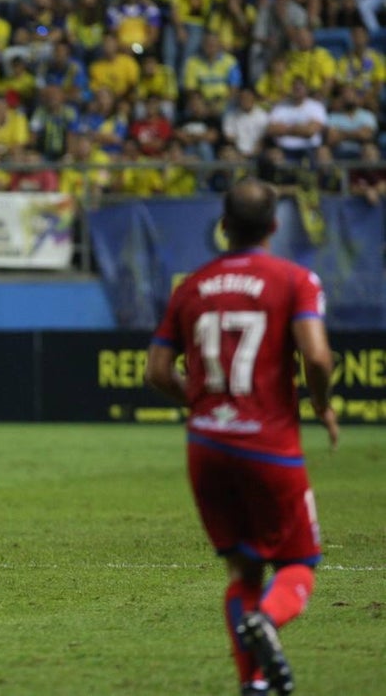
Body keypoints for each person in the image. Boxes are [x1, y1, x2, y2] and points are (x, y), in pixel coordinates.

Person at [145, 180, 340, 696]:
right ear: (275, 225)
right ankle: (268, 621)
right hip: (269, 443)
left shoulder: (191, 286)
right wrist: (321, 403)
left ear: (224, 226)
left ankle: (252, 682)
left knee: (243, 570)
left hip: (206, 446)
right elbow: (317, 356)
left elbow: (157, 371)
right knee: (298, 564)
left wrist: (201, 403)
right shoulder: (295, 279)